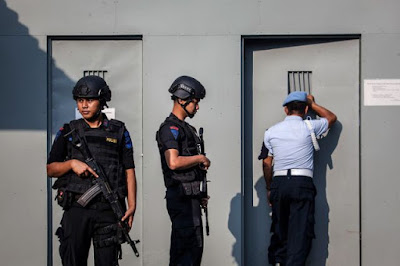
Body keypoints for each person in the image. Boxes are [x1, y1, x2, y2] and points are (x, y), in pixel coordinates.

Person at [47, 75, 137, 266]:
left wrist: (131, 206)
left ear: (102, 101)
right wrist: (71, 164)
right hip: (77, 209)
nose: (84, 105)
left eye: (89, 100)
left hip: (109, 210)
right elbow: (51, 169)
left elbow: (129, 170)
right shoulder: (68, 131)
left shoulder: (119, 131)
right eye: (80, 100)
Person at [262, 91, 337, 266]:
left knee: (279, 229)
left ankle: (278, 262)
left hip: (279, 184)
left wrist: (269, 188)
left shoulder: (271, 132)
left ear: (286, 110)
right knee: (300, 231)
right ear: (304, 110)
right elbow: (331, 118)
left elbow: (266, 163)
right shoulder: (310, 127)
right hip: (301, 184)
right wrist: (313, 104)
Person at [156, 76, 211, 266]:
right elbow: (173, 162)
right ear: (182, 99)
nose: (197, 107)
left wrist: (199, 192)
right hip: (181, 200)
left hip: (190, 199)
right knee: (186, 254)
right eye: (195, 102)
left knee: (193, 253)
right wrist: (200, 158)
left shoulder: (186, 129)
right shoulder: (170, 128)